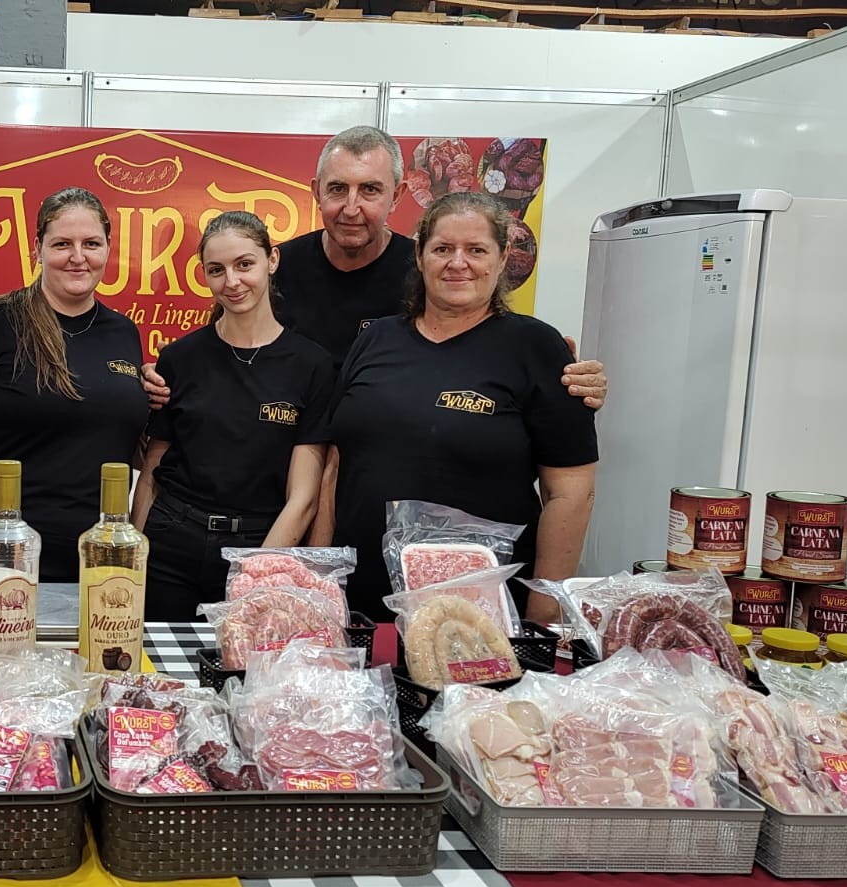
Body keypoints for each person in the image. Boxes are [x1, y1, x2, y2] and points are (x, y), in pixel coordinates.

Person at [139, 125, 607, 542]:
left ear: (398, 194)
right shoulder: (276, 269)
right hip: (281, 502)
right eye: (338, 189)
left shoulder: (429, 270)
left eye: (370, 190)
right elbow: (218, 357)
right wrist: (157, 383)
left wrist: (561, 380)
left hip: (346, 514)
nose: (351, 207)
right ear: (316, 191)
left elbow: (493, 353)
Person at [326, 192, 598, 623]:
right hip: (363, 599)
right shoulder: (375, 339)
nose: (458, 263)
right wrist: (327, 580)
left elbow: (570, 493)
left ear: (504, 255)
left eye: (476, 249)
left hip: (480, 609)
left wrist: (544, 610)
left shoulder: (537, 348)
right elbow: (337, 464)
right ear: (419, 255)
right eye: (442, 248)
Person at [0, 187, 149, 583]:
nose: (78, 257)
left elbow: (118, 438)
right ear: (37, 248)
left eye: (91, 243)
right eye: (62, 244)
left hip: (91, 557)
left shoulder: (123, 332)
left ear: (109, 249)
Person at [131, 212, 334, 620]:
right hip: (173, 543)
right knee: (160, 672)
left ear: (271, 260)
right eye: (216, 270)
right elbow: (154, 468)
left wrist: (257, 573)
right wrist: (137, 555)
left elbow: (303, 497)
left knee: (247, 677)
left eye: (245, 264)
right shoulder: (180, 358)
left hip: (260, 544)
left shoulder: (313, 365)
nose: (233, 282)